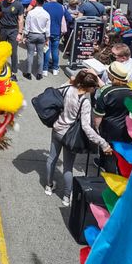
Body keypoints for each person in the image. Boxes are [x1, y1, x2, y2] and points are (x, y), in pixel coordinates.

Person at [46, 71, 112, 206]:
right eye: (94, 87)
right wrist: (103, 143)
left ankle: (48, 186)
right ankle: (66, 196)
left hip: (57, 128)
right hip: (70, 135)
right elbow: (86, 127)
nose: (94, 89)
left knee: (51, 158)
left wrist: (71, 80)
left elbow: (57, 90)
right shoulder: (85, 101)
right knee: (68, 167)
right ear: (88, 87)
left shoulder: (67, 89)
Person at [91, 61, 132, 174]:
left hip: (109, 131)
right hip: (128, 131)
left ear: (112, 76)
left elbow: (97, 118)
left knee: (110, 158)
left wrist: (96, 130)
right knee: (124, 158)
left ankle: (111, 180)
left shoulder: (107, 93)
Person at [42, 0, 73, 76]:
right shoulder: (62, 7)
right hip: (57, 32)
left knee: (46, 50)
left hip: (46, 31)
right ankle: (55, 68)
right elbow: (70, 18)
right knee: (55, 51)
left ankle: (45, 69)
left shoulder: (45, 6)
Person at [0, 0, 24, 79]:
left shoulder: (18, 5)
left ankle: (14, 73)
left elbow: (20, 20)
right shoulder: (2, 3)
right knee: (1, 51)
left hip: (13, 30)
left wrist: (20, 33)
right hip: (3, 29)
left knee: (13, 52)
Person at [23, 0, 50, 80]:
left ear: (36, 2)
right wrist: (47, 39)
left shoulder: (31, 13)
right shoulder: (46, 14)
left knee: (30, 54)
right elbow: (48, 29)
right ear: (43, 3)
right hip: (42, 35)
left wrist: (25, 35)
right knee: (40, 55)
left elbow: (27, 26)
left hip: (32, 34)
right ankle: (39, 74)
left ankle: (28, 73)